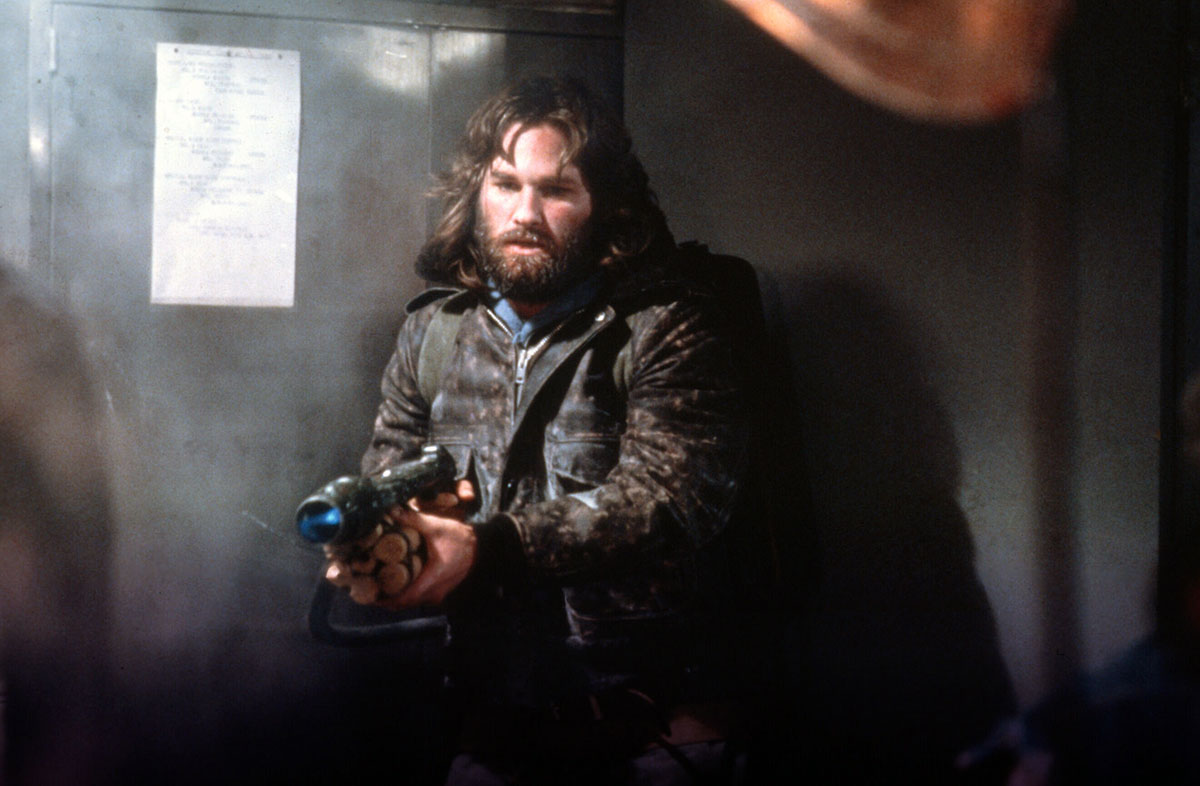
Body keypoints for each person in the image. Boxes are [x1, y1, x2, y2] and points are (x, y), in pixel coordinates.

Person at [323, 76, 752, 785]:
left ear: (604, 207)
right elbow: (389, 472)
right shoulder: (434, 333)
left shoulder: (665, 327)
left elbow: (667, 500)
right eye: (505, 184)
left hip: (653, 731)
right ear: (475, 192)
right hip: (495, 729)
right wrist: (382, 540)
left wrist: (488, 548)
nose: (525, 213)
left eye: (555, 191)